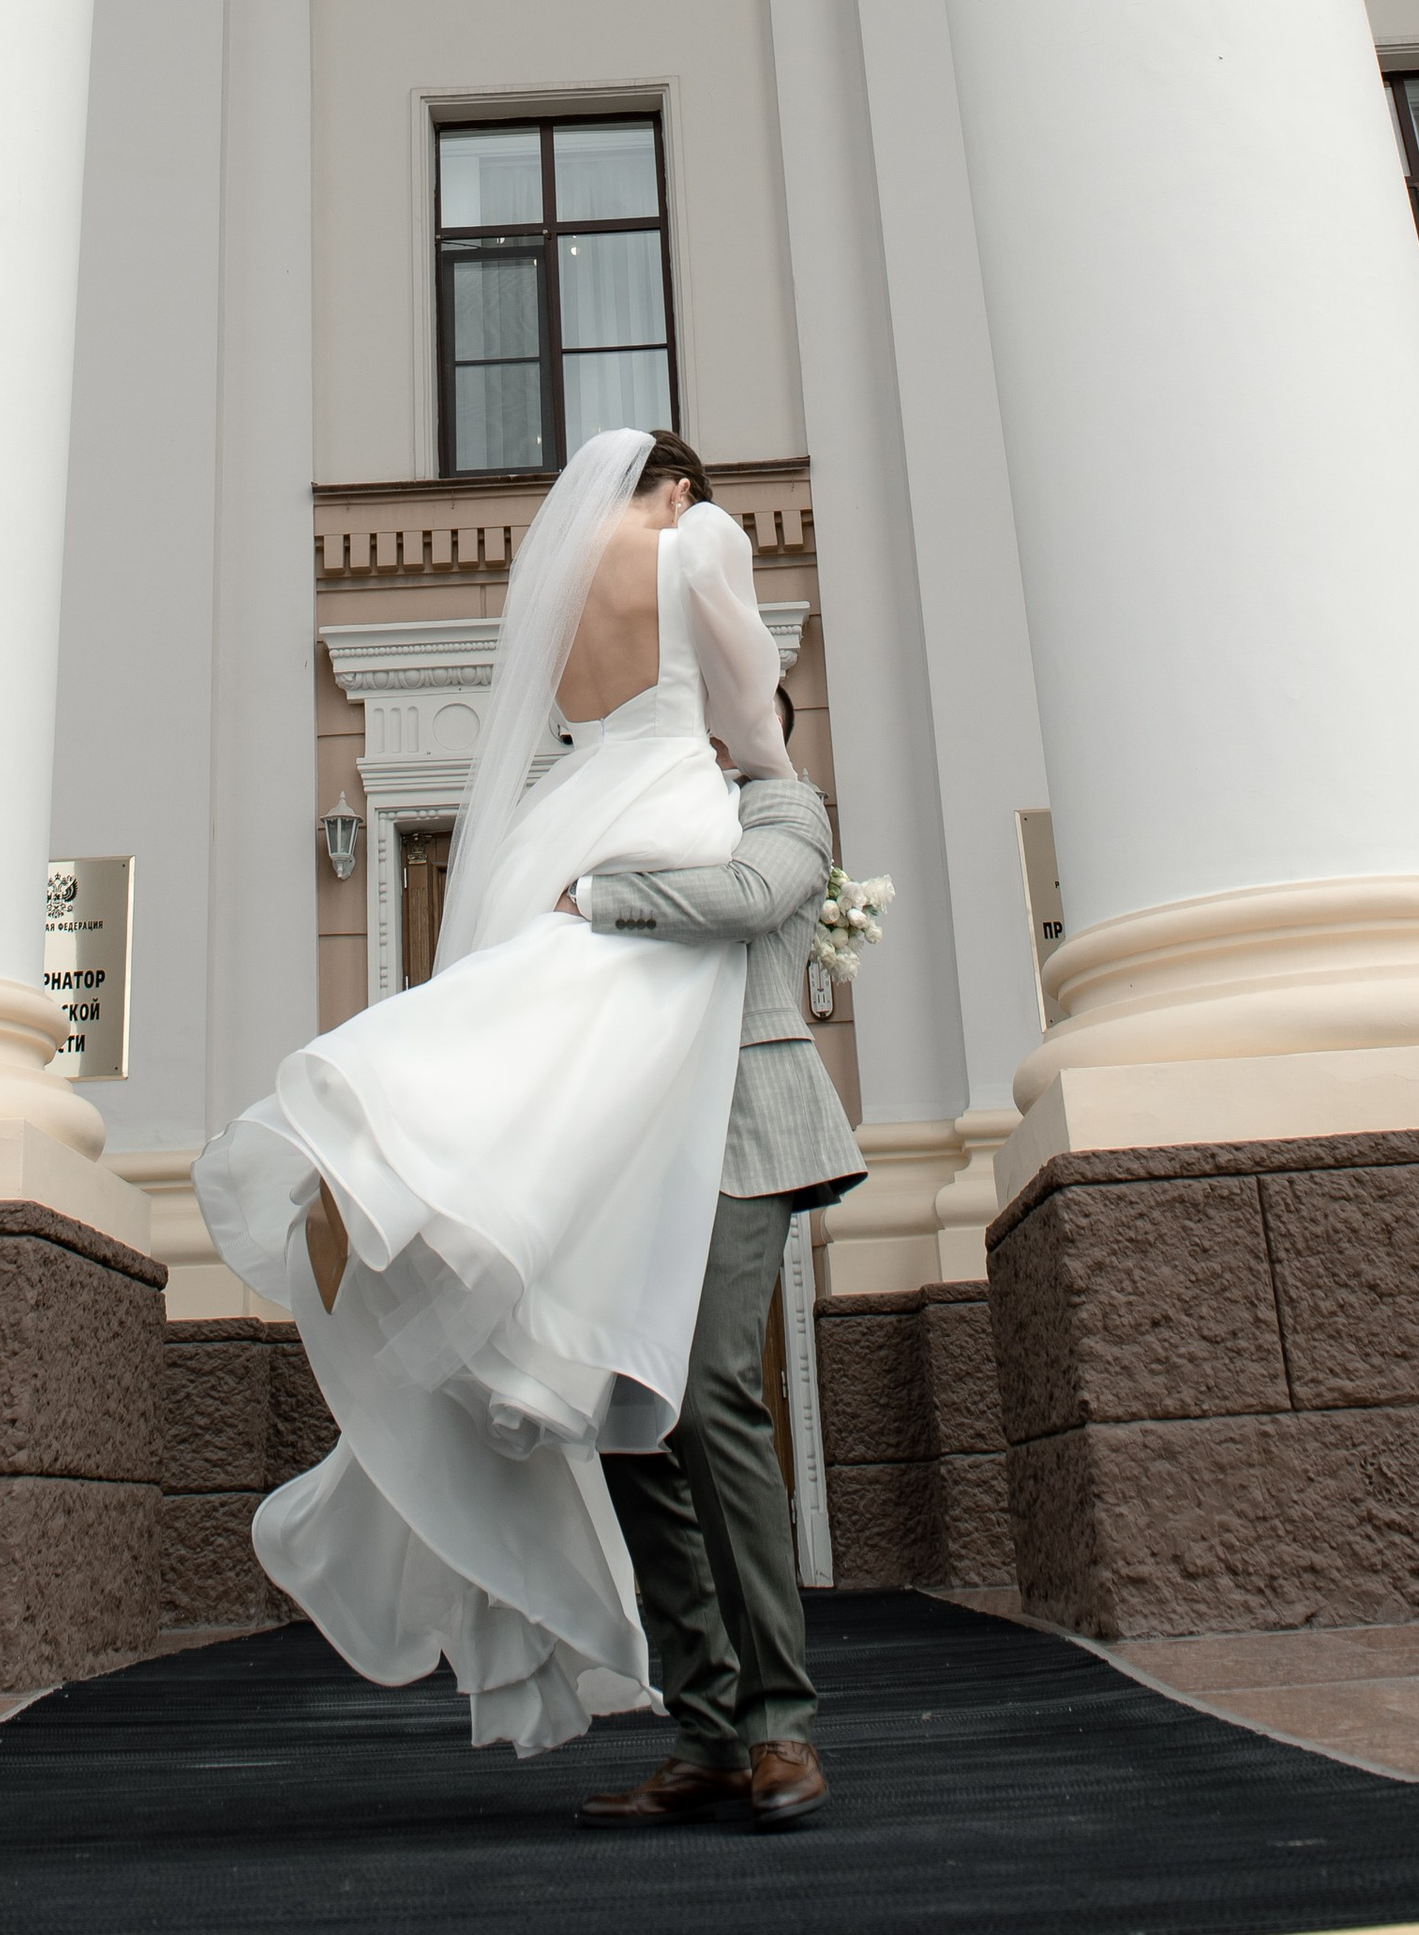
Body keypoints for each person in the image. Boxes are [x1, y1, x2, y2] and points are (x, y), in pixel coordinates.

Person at [193, 425, 803, 1767]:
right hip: (666, 796)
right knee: (601, 1041)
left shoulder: (565, 565)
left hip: (572, 804)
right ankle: (401, 1142)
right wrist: (752, 753)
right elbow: (748, 707)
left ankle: (408, 1157)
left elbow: (579, 701)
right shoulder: (695, 539)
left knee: (544, 1020)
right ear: (686, 487)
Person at [574, 665, 864, 1834]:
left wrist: (595, 894)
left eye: (730, 717)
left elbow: (747, 899)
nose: (710, 732)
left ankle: (778, 1725)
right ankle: (703, 1733)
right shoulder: (649, 818)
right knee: (630, 1419)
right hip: (638, 1140)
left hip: (749, 1126)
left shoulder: (787, 805)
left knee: (710, 1396)